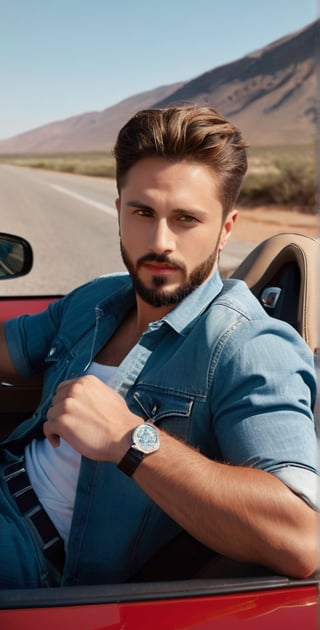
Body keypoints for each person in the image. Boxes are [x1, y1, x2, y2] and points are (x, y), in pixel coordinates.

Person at [0, 105, 318, 589]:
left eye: (186, 219)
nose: (160, 242)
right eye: (143, 212)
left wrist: (129, 439)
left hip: (31, 555)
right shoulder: (98, 299)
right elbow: (9, 349)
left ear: (225, 228)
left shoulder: (249, 344)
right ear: (119, 212)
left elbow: (301, 538)